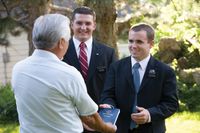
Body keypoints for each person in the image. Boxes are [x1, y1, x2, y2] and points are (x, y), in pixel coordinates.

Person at [11, 14, 116, 133]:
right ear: (61, 42)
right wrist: (108, 128)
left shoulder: (18, 69)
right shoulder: (69, 74)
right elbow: (89, 118)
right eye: (67, 40)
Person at [100, 23, 179, 133]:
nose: (133, 45)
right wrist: (109, 106)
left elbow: (171, 103)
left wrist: (149, 114)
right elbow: (108, 94)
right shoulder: (116, 67)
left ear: (151, 44)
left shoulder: (165, 71)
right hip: (120, 129)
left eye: (139, 42)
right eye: (131, 41)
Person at [62, 6, 117, 106]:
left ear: (94, 26)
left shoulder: (108, 53)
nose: (83, 27)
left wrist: (109, 104)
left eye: (88, 23)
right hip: (69, 114)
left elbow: (114, 87)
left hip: (99, 113)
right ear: (72, 25)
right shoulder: (61, 51)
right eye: (79, 23)